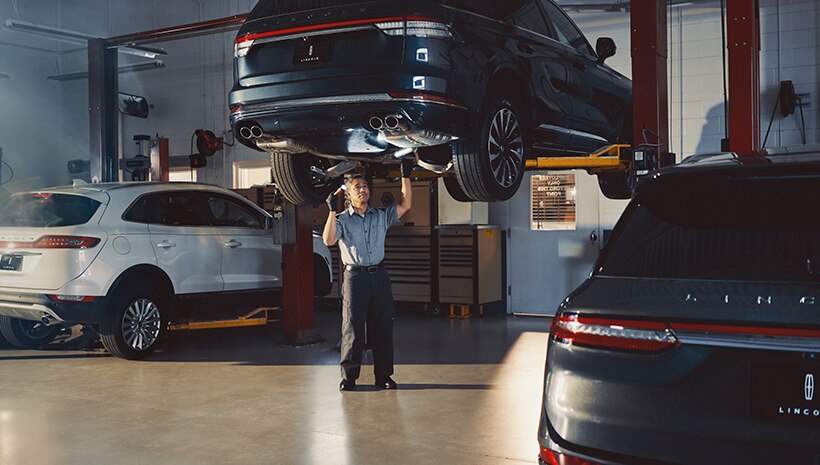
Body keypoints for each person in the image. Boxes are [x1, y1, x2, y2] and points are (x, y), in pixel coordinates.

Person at [322, 159, 413, 391]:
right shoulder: (342, 219)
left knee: (383, 326)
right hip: (355, 278)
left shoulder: (380, 215)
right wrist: (331, 211)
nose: (362, 189)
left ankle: (384, 376)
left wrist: (405, 176)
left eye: (364, 186)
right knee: (352, 328)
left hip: (379, 276)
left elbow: (405, 205)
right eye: (357, 187)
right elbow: (329, 240)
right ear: (349, 195)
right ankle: (349, 377)